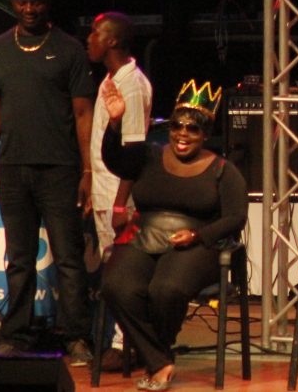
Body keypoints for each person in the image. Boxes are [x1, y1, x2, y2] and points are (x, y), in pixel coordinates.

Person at [0, 0, 95, 365]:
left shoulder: (69, 49)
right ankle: (17, 334)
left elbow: (83, 113)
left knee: (69, 256)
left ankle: (77, 336)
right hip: (12, 169)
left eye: (36, 0)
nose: (29, 8)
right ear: (12, 0)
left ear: (48, 1)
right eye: (22, 0)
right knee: (19, 258)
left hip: (60, 169)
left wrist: (88, 170)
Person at [99, 79, 246, 391]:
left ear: (205, 134)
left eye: (193, 129)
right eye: (177, 126)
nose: (182, 134)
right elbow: (115, 161)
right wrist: (114, 124)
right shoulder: (149, 155)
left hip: (196, 242)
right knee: (117, 285)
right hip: (145, 233)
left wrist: (197, 234)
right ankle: (160, 359)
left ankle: (156, 358)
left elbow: (236, 217)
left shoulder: (222, 170)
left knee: (165, 290)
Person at [85, 11, 153, 371]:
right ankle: (123, 343)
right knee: (111, 270)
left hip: (119, 194)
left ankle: (124, 345)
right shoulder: (112, 79)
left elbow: (134, 151)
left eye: (95, 33)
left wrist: (119, 202)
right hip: (104, 189)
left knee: (122, 273)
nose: (89, 39)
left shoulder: (132, 85)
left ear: (112, 40)